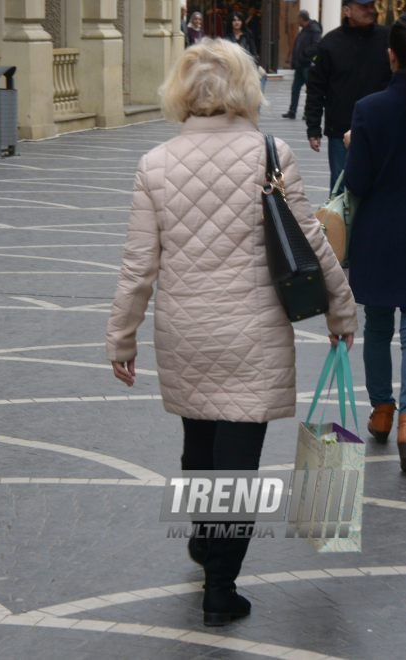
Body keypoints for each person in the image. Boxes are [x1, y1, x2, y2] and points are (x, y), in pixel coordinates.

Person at [106, 37, 357, 626]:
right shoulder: (272, 154)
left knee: (198, 446)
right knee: (238, 462)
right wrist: (342, 313)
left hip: (185, 331)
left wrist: (121, 338)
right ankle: (220, 588)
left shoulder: (156, 164)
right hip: (254, 332)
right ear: (245, 88)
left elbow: (138, 265)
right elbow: (312, 244)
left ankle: (202, 539)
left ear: (181, 92)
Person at [343, 15, 406, 470]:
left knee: (378, 327)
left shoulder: (369, 108)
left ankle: (382, 411)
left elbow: (358, 182)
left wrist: (352, 143)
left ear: (391, 54)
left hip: (380, 236)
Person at [305, 0, 392, 194]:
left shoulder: (387, 38)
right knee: (341, 188)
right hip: (340, 130)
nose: (371, 10)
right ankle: (340, 226)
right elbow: (316, 87)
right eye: (364, 7)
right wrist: (313, 126)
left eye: (372, 5)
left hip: (381, 128)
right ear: (347, 10)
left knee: (380, 186)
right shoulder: (330, 43)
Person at [282, 10, 322, 120]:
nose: (297, 21)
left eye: (297, 18)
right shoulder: (305, 30)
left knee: (310, 89)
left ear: (301, 19)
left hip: (307, 65)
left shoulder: (313, 30)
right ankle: (292, 111)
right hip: (300, 64)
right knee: (295, 89)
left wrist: (305, 53)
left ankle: (308, 113)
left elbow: (317, 45)